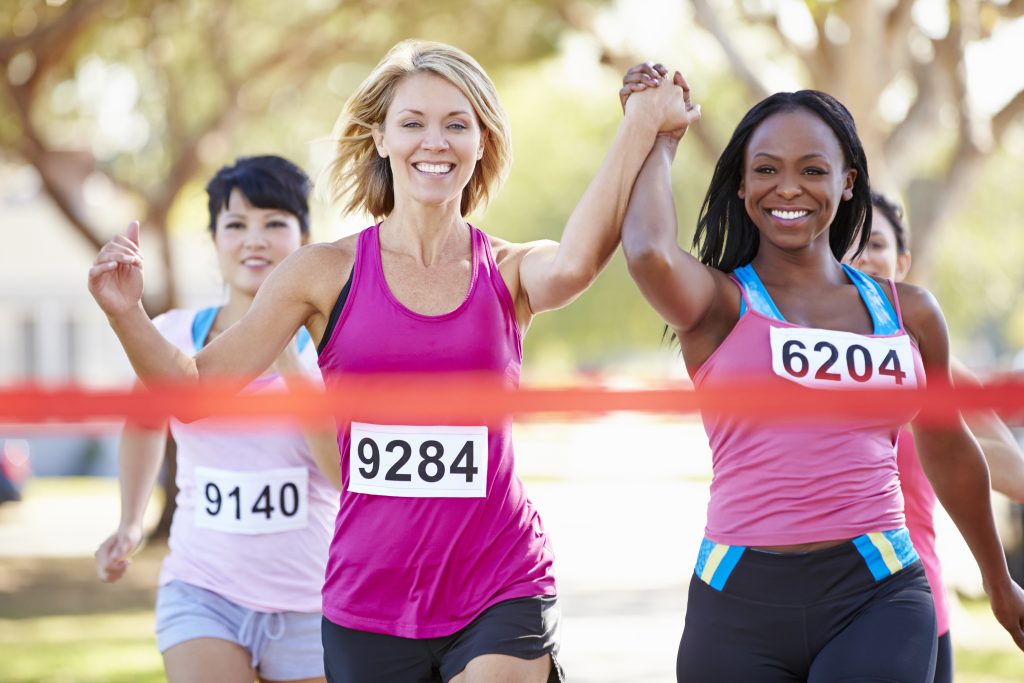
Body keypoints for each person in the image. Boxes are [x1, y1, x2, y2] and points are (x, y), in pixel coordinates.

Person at [88, 40, 696, 683]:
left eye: (457, 124)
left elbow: (576, 262)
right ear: (381, 137)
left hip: (500, 580)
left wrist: (641, 124)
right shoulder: (321, 272)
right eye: (412, 123)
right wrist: (125, 312)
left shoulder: (510, 269)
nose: (435, 142)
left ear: (482, 142)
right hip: (369, 600)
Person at [619, 64, 1024, 681]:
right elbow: (648, 251)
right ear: (741, 185)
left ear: (847, 182)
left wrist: (999, 584)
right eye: (766, 170)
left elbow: (947, 448)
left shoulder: (909, 313)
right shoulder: (718, 304)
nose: (789, 188)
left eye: (812, 170)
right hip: (736, 598)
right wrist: (660, 138)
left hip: (879, 592)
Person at [93, 155, 340, 683]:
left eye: (275, 223)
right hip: (202, 592)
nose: (255, 240)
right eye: (236, 224)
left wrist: (285, 352)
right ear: (213, 239)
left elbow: (342, 473)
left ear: (305, 239)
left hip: (313, 603)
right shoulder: (172, 335)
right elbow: (144, 424)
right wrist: (130, 521)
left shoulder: (334, 348)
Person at [847, 189, 1024, 682]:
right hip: (816, 610)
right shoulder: (798, 352)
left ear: (902, 262)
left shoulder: (927, 357)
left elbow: (1010, 468)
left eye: (875, 244)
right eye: (849, 244)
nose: (863, 256)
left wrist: (924, 422)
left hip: (915, 611)